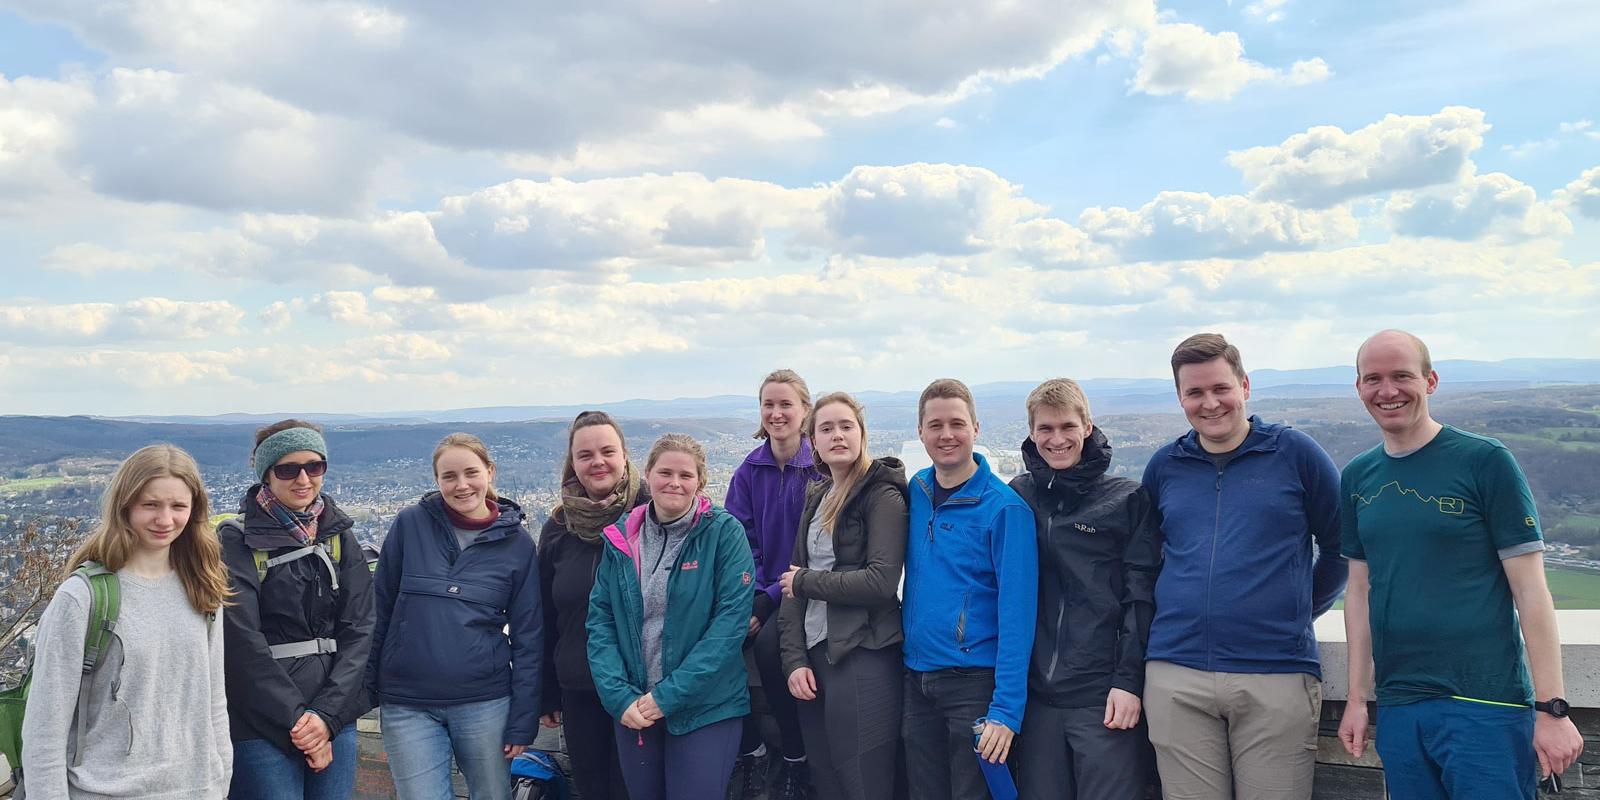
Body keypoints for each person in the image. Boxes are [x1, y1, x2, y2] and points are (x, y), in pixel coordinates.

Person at [1336, 330, 1584, 799]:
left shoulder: (1485, 461)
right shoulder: (1357, 476)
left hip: (1485, 701)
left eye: (1401, 376)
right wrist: (1356, 698)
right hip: (1400, 702)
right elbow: (1359, 592)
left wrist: (1552, 708)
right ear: (1359, 388)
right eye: (1373, 379)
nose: (1387, 391)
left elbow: (1531, 590)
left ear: (1430, 381)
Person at [1140, 333, 1346, 800]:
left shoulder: (1295, 454)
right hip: (1177, 671)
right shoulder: (1165, 467)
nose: (1210, 403)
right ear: (1180, 398)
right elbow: (1145, 559)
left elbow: (1340, 548)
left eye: (1220, 388)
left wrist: (1295, 612)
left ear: (1245, 386)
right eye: (1194, 392)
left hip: (1275, 671)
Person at [21, 444, 233, 800]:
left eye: (178, 506)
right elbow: (45, 729)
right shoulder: (83, 598)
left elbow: (213, 703)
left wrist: (220, 778)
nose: (165, 520)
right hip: (105, 791)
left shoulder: (203, 587)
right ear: (125, 506)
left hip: (197, 789)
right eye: (150, 504)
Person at [368, 433, 542, 800]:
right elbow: (379, 610)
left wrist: (523, 719)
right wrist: (367, 688)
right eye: (449, 476)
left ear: (490, 472)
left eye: (471, 473)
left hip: (485, 702)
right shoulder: (409, 525)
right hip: (407, 702)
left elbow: (530, 635)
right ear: (437, 481)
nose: (461, 485)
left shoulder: (518, 545)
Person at [1009, 379, 1160, 800]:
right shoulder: (1018, 495)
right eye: (1045, 429)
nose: (1057, 439)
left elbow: (1140, 596)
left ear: (1087, 427)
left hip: (1102, 697)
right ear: (1032, 432)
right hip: (1037, 698)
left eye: (1067, 427)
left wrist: (1129, 682)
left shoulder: (1126, 499)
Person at [587, 434, 756, 800]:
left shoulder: (723, 534)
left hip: (706, 706)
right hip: (635, 704)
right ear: (647, 475)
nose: (675, 483)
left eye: (686, 475)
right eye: (665, 472)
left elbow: (729, 626)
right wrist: (619, 697)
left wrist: (670, 695)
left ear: (700, 482)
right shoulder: (621, 538)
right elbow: (600, 622)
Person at [221, 421, 375, 800]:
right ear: (266, 475)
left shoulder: (338, 533)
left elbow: (360, 629)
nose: (303, 478)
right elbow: (241, 642)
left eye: (315, 466)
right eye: (288, 469)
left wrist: (327, 716)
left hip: (333, 713)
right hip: (260, 720)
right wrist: (301, 723)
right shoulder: (236, 540)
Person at [901, 378, 1038, 800]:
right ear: (920, 431)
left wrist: (1006, 711)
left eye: (957, 423)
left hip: (975, 686)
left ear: (976, 428)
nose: (946, 435)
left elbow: (1018, 616)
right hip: (916, 678)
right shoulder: (918, 490)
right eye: (935, 425)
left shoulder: (1005, 510)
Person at [776, 392, 909, 800]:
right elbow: (790, 587)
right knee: (827, 778)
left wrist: (806, 582)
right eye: (826, 429)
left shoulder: (882, 495)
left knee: (862, 780)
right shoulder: (817, 496)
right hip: (816, 655)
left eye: (846, 426)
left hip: (863, 650)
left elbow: (880, 581)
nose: (837, 435)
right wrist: (793, 660)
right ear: (812, 441)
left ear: (862, 434)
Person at [540, 411, 649, 800]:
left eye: (607, 451)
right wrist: (547, 691)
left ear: (624, 456)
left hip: (643, 685)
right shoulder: (557, 528)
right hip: (580, 685)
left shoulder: (654, 516)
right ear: (573, 463)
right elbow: (545, 615)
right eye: (585, 455)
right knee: (592, 790)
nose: (597, 461)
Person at [725, 369, 823, 800]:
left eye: (786, 404)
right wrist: (751, 599)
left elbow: (817, 547)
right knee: (714, 647)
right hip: (758, 589)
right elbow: (738, 542)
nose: (777, 413)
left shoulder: (818, 469)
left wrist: (765, 605)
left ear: (805, 411)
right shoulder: (749, 472)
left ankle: (796, 759)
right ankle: (753, 750)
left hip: (803, 591)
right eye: (769, 404)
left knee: (768, 651)